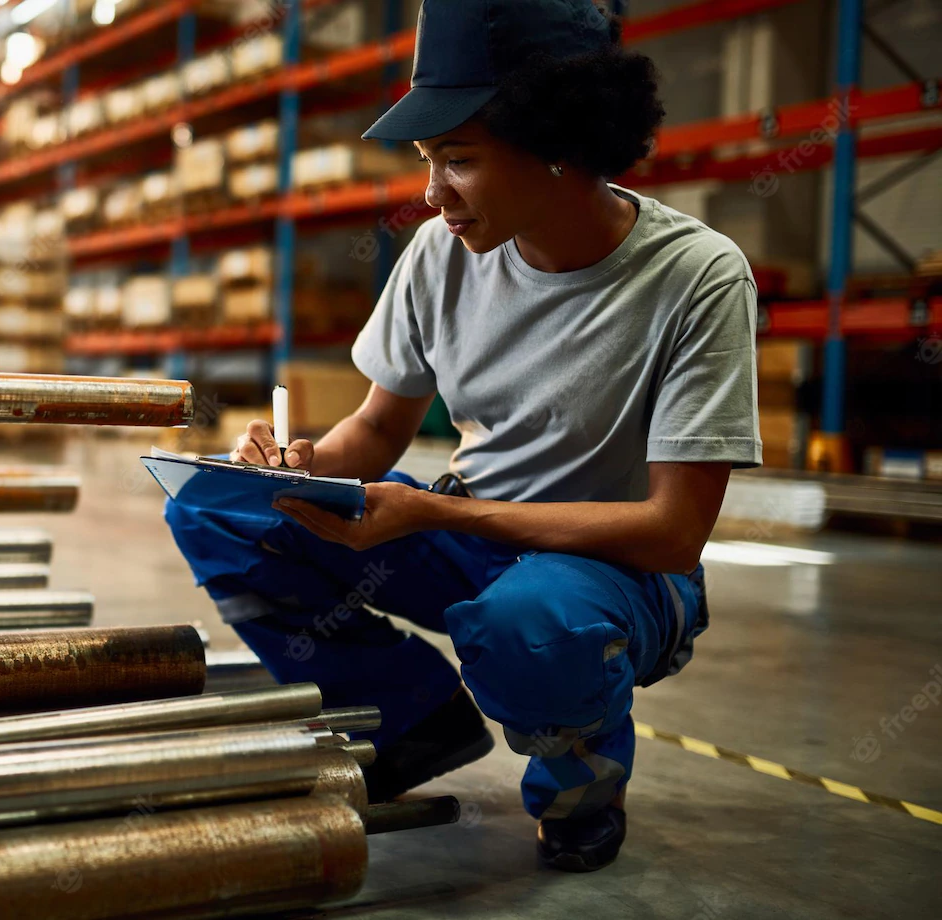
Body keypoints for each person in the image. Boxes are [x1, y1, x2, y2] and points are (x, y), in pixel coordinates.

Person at [163, 0, 760, 873]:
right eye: (425, 161)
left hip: (616, 575)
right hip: (465, 537)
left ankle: (578, 781)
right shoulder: (442, 254)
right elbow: (375, 427)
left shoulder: (696, 279)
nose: (432, 195)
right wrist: (297, 468)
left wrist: (436, 518)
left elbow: (673, 533)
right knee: (222, 512)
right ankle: (412, 720)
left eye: (460, 160)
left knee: (533, 622)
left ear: (561, 145)